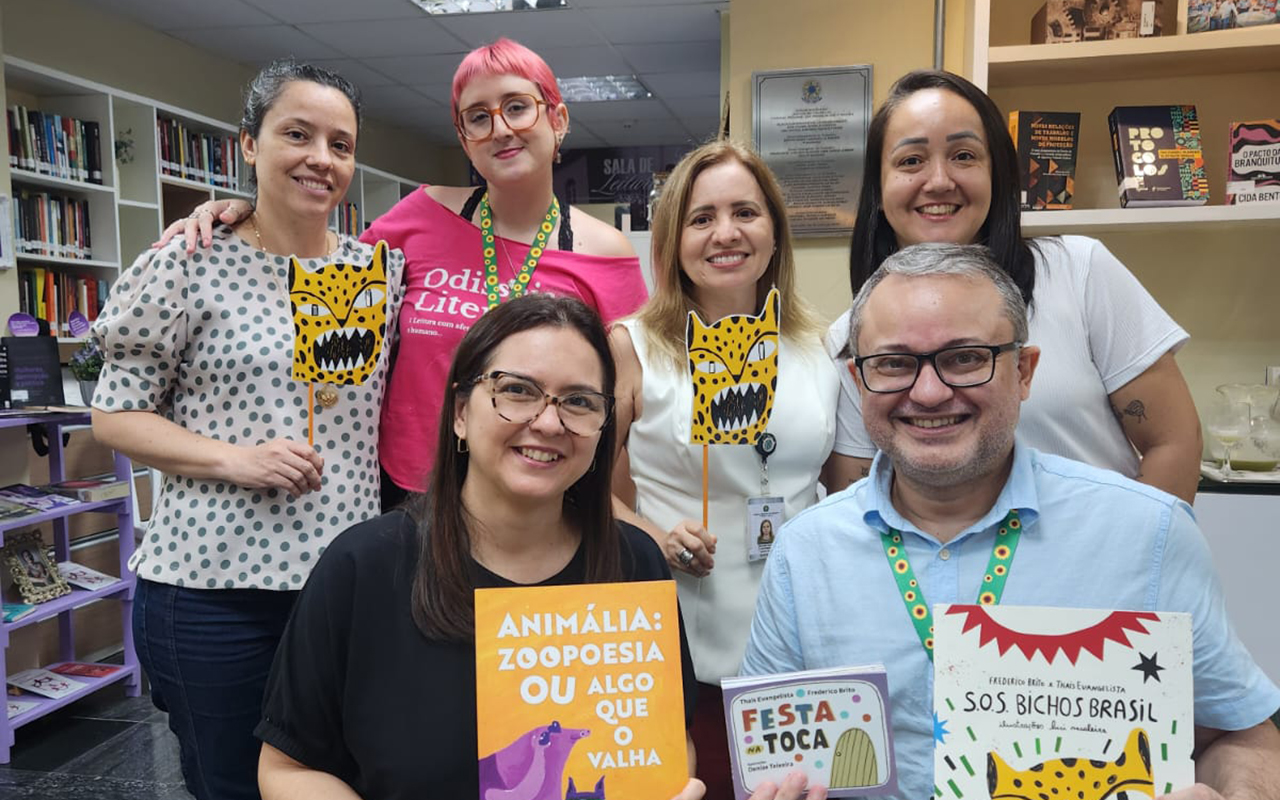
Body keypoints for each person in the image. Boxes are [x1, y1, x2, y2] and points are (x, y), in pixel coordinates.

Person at [742, 243, 1280, 800]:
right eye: (894, 363)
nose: (928, 392)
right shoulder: (804, 553)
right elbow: (769, 764)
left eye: (966, 357)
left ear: (1024, 372)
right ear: (859, 382)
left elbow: (1238, 733)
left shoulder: (1149, 533)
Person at [160, 38, 647, 510]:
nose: (500, 129)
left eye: (517, 107)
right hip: (407, 493)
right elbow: (317, 258)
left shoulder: (605, 253)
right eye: (478, 117)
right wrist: (246, 212)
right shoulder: (418, 217)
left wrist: (626, 525)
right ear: (464, 139)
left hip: (540, 496)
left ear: (557, 120)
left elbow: (628, 411)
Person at [91, 61, 403, 800]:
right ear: (251, 145)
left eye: (340, 143)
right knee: (233, 784)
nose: (320, 158)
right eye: (297, 134)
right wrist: (236, 460)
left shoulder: (381, 275)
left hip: (344, 591)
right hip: (212, 593)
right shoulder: (190, 260)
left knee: (342, 782)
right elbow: (115, 415)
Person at [256, 293, 697, 797]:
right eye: (517, 390)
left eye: (579, 401)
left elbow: (667, 743)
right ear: (461, 412)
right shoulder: (365, 567)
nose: (549, 422)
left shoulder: (634, 563)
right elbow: (288, 768)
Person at [822, 70, 1202, 503]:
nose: (940, 180)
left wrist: (1130, 563)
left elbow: (1173, 440)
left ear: (997, 173)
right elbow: (858, 500)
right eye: (911, 161)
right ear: (878, 188)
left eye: (964, 155)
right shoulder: (852, 339)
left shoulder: (1079, 271)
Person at [610, 139, 839, 798]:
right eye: (701, 217)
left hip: (799, 631)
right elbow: (583, 488)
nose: (725, 233)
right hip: (683, 622)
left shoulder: (821, 349)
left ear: (775, 233)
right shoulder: (633, 346)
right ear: (673, 239)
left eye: (745, 212)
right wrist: (656, 537)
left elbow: (851, 488)